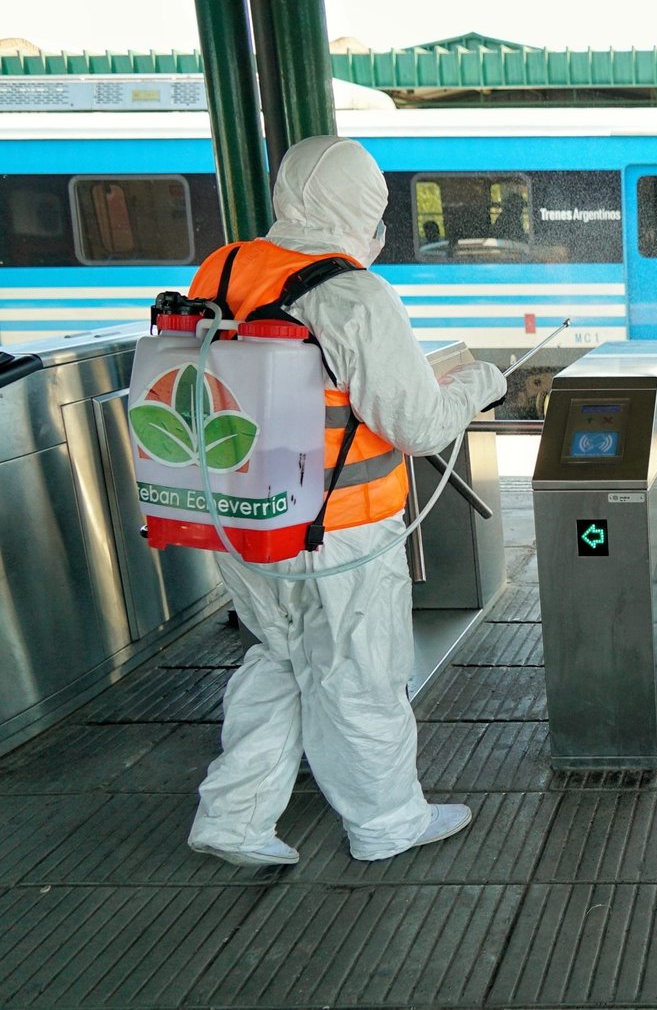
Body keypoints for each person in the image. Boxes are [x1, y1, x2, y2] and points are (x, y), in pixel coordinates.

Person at [186, 136, 507, 866]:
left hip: (243, 514)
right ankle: (387, 821)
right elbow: (418, 426)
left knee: (282, 655)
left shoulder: (226, 266)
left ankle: (233, 816)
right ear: (363, 206)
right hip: (341, 530)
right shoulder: (353, 291)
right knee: (359, 672)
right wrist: (477, 383)